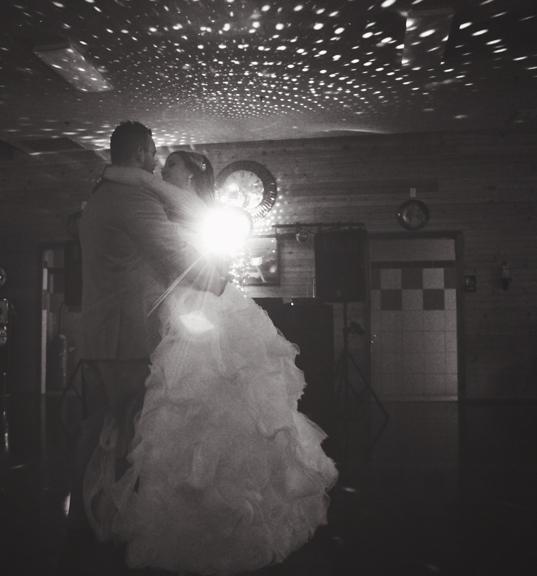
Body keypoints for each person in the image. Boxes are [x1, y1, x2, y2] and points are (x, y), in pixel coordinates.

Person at [87, 151, 339, 574]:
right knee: (187, 403)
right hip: (184, 306)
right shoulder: (170, 206)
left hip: (203, 305)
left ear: (192, 174)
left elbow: (147, 184)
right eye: (163, 164)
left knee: (212, 393)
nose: (163, 169)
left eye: (172, 164)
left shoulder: (185, 202)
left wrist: (113, 171)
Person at [63, 123, 226, 567]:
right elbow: (174, 253)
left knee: (100, 424)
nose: (155, 162)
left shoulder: (99, 197)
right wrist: (220, 281)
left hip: (101, 332)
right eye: (153, 153)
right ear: (139, 152)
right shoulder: (131, 198)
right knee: (130, 429)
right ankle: (119, 524)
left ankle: (82, 518)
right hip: (127, 335)